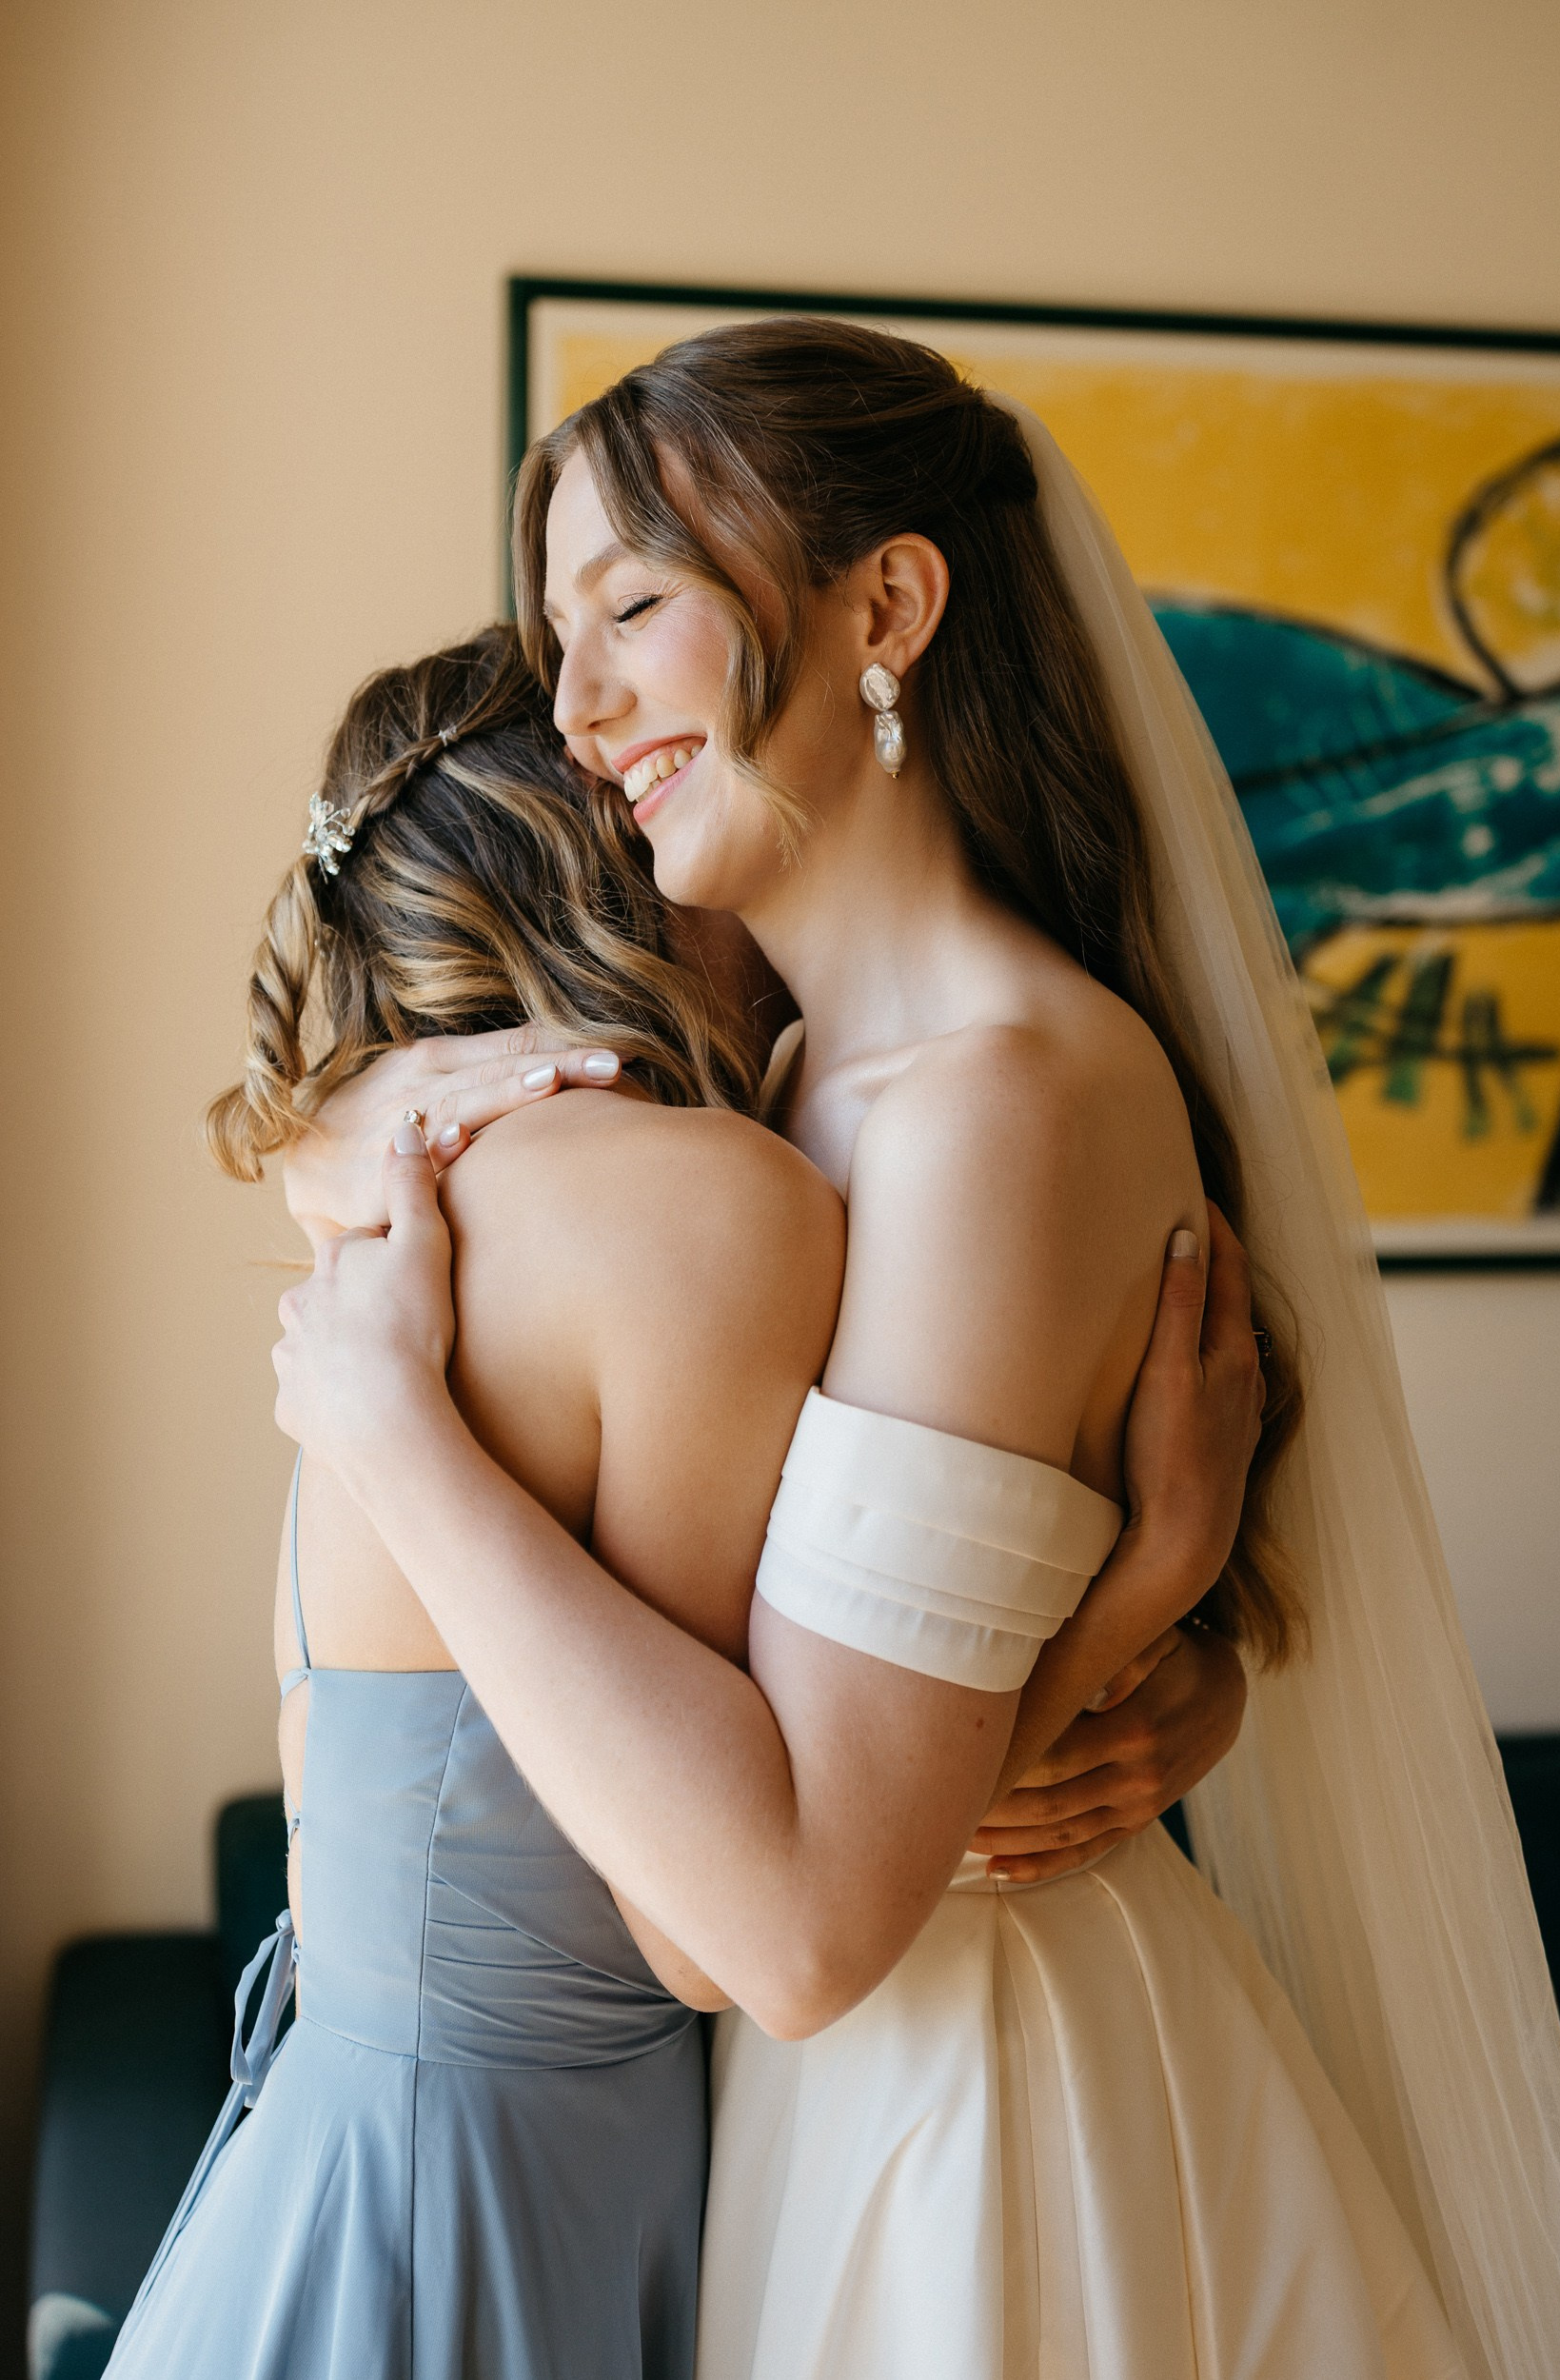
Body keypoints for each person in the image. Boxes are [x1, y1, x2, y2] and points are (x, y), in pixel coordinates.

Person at [276, 321, 1560, 2376]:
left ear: (886, 606)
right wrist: (335, 1132)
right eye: (561, 638)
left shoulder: (995, 1106)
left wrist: (399, 1445)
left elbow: (786, 1923)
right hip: (833, 2087)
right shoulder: (797, 1079)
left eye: (632, 609)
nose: (581, 708)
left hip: (969, 2114)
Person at [106, 624, 1259, 2380]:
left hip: (359, 2179)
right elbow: (735, 1921)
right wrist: (1147, 1584)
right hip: (481, 2223)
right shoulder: (705, 1206)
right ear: (614, 860)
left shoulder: (428, 1201)